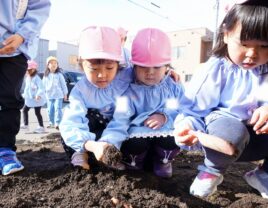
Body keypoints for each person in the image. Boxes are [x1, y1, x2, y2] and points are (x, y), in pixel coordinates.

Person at [173, 0, 268, 207]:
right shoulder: (216, 69)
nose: (252, 54)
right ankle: (212, 170)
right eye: (244, 44)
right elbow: (193, 110)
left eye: (265, 46)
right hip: (224, 139)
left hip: (265, 138)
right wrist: (187, 128)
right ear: (226, 34)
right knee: (230, 128)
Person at [101, 28, 183, 178]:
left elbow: (177, 111)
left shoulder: (170, 88)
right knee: (135, 142)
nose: (150, 72)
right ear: (134, 66)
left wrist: (164, 116)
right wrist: (109, 142)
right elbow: (120, 119)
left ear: (167, 67)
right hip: (138, 134)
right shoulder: (127, 91)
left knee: (172, 138)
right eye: (143, 67)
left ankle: (163, 161)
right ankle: (134, 163)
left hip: (163, 132)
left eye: (157, 67)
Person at [59, 26, 133, 170]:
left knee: (132, 129)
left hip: (115, 133)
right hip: (89, 137)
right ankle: (81, 153)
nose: (102, 75)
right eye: (94, 69)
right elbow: (71, 123)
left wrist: (107, 145)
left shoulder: (124, 84)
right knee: (67, 129)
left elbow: (122, 119)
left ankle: (109, 155)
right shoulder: (80, 90)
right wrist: (92, 145)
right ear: (81, 65)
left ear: (119, 65)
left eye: (109, 68)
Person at [0, 0, 51, 175]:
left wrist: (22, 35)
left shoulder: (39, 76)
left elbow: (39, 7)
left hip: (14, 48)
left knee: (10, 99)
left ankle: (5, 150)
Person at [20, 60, 46, 133]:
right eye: (26, 70)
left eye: (28, 70)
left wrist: (38, 95)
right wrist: (24, 95)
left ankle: (41, 127)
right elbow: (27, 88)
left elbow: (41, 88)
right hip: (30, 98)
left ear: (33, 69)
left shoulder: (37, 78)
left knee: (37, 112)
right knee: (25, 110)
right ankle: (26, 124)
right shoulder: (28, 78)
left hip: (37, 99)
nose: (27, 72)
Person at [42, 56, 68, 130]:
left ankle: (58, 123)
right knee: (50, 110)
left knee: (58, 109)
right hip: (49, 96)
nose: (53, 64)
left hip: (58, 95)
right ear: (48, 65)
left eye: (55, 63)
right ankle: (51, 123)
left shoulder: (59, 75)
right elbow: (43, 86)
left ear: (57, 65)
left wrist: (65, 94)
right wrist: (41, 94)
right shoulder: (46, 75)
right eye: (51, 63)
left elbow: (63, 85)